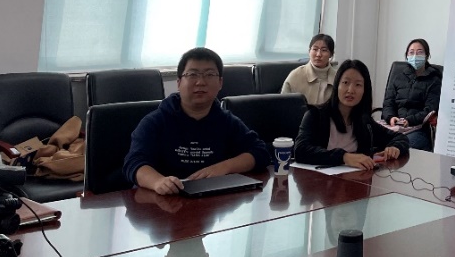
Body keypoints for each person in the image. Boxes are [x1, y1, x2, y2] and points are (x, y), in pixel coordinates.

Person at [123, 48, 270, 195]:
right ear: (179, 82)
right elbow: (134, 163)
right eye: (192, 74)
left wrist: (224, 167)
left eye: (209, 75)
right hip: (164, 199)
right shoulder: (155, 121)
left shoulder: (227, 122)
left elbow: (260, 153)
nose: (200, 82)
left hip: (211, 200)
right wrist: (158, 182)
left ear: (220, 83)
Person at [295, 59, 409, 169]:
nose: (350, 90)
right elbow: (300, 150)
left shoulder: (365, 122)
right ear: (337, 85)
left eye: (358, 85)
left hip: (354, 179)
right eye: (345, 82)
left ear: (365, 91)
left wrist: (395, 147)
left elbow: (400, 137)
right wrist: (344, 157)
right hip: (318, 179)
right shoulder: (315, 115)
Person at [381, 38, 442, 151]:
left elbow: (430, 110)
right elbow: (388, 103)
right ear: (407, 55)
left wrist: (410, 120)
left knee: (399, 147)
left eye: (419, 52)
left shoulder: (434, 80)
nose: (415, 56)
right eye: (411, 52)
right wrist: (390, 117)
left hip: (418, 129)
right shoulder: (398, 77)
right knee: (369, 138)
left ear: (427, 56)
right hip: (394, 126)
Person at [281, 33, 338, 105]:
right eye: (315, 49)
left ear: (331, 54)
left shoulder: (338, 78)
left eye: (324, 50)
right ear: (309, 51)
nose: (318, 54)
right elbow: (283, 105)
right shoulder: (295, 76)